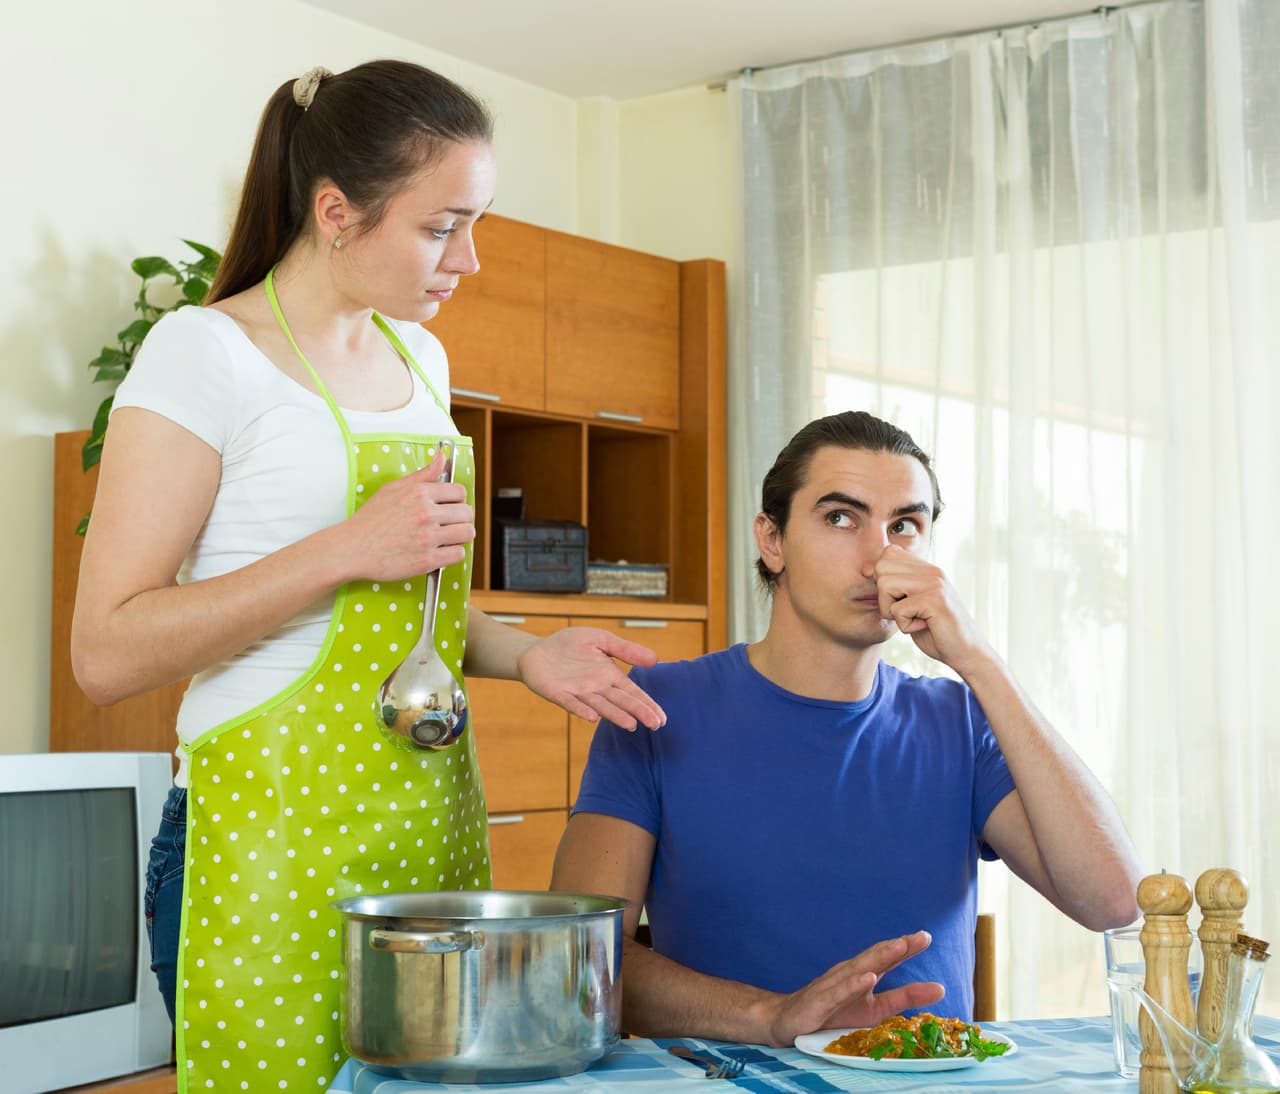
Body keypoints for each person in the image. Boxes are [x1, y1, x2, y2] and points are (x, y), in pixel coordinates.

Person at [70, 61, 665, 1091]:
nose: (469, 259)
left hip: (421, 834)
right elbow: (105, 649)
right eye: (442, 227)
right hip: (262, 845)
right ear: (336, 211)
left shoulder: (419, 358)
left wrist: (530, 656)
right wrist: (345, 546)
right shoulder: (205, 353)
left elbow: (410, 603)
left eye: (475, 223)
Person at [550, 410, 1144, 1046]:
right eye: (841, 518)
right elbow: (581, 960)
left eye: (905, 526)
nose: (878, 557)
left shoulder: (961, 719)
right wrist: (771, 1017)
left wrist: (980, 660)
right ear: (771, 541)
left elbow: (1116, 904)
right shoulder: (656, 708)